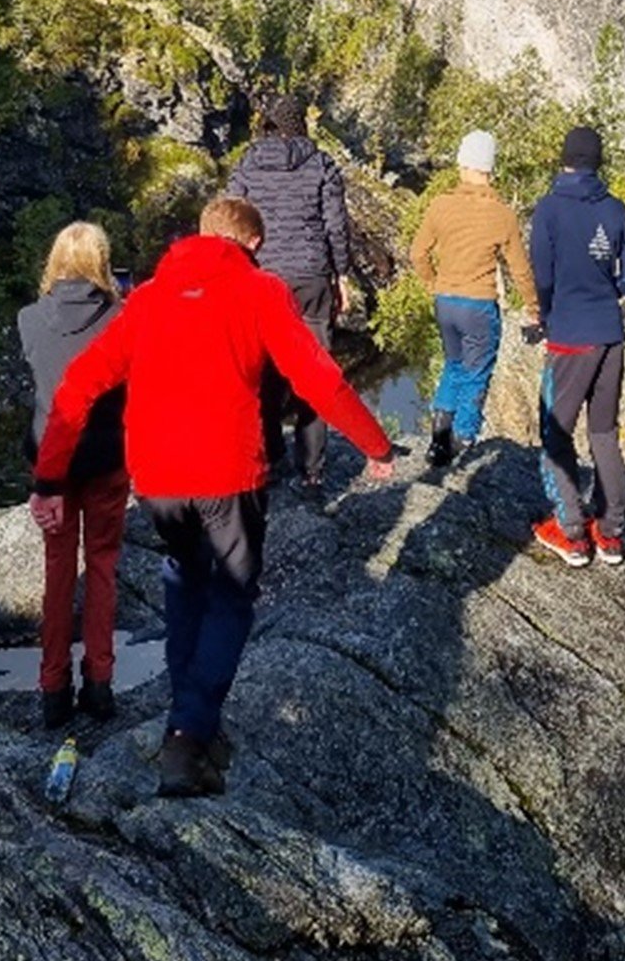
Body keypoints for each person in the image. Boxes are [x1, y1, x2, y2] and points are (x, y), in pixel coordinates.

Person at [29, 195, 394, 799]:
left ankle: (192, 721)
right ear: (251, 245)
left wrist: (48, 479)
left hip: (158, 479)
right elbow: (317, 377)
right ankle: (188, 734)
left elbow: (76, 388)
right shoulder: (259, 293)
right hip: (229, 472)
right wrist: (376, 447)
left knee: (184, 583)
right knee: (231, 599)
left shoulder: (145, 299)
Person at [19, 220, 129, 731]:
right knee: (103, 567)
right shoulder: (123, 319)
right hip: (108, 457)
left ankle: (52, 688)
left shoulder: (28, 319)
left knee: (58, 572)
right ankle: (100, 682)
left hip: (51, 461)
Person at [228, 92, 353, 505]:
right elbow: (336, 226)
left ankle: (269, 457)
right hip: (312, 276)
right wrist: (342, 277)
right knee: (315, 372)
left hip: (260, 278)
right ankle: (312, 469)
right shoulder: (321, 164)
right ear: (301, 125)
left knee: (261, 371)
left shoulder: (247, 165)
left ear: (266, 125)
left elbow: (229, 220)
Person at [528, 126, 625, 568]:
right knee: (603, 433)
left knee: (556, 432)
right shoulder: (616, 210)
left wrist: (552, 312)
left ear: (564, 159)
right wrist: (602, 287)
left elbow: (544, 277)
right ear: (597, 162)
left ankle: (572, 533)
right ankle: (611, 533)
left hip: (571, 338)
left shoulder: (550, 209)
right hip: (610, 335)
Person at [409, 130, 540, 470]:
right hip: (478, 304)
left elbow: (417, 253)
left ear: (462, 164)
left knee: (453, 364)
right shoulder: (503, 214)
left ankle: (439, 435)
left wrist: (432, 284)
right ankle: (462, 439)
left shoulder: (440, 205)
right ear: (490, 169)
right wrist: (534, 309)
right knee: (476, 372)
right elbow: (521, 271)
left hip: (445, 302)